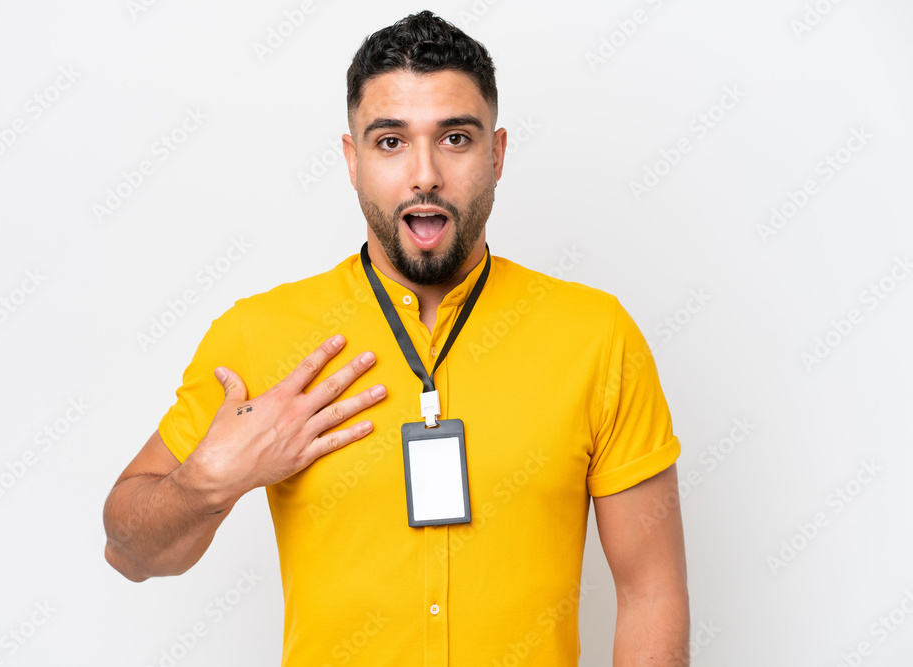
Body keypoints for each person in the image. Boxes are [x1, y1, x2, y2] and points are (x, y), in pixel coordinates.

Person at [103, 10, 690, 665]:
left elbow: (651, 592)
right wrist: (205, 484)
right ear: (352, 160)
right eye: (390, 142)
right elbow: (127, 552)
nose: (424, 175)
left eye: (455, 139)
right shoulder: (259, 336)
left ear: (496, 154)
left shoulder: (597, 336)